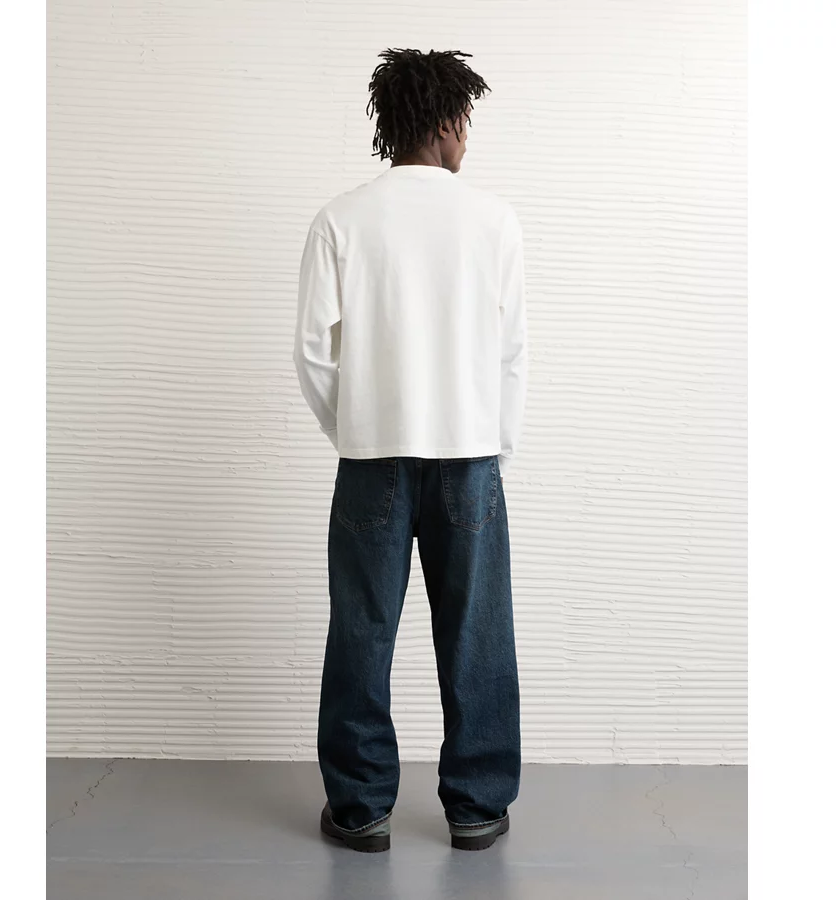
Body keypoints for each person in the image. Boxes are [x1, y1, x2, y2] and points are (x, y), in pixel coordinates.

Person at [292, 48, 527, 853]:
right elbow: (512, 353)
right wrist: (496, 448)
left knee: (362, 629)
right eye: (467, 121)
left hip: (372, 461)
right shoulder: (493, 220)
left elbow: (313, 352)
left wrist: (353, 428)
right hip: (470, 453)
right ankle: (477, 807)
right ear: (448, 121)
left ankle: (360, 809)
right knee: (478, 631)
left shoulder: (341, 220)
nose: (469, 137)